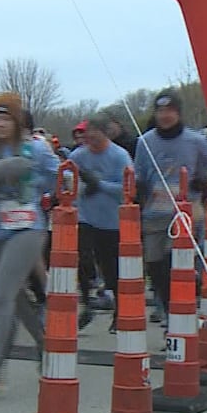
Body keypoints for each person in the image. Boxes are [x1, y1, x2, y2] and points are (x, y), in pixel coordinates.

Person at [0, 91, 60, 393]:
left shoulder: (37, 149)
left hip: (28, 228)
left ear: (18, 122)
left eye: (7, 118)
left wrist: (37, 181)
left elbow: (63, 179)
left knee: (2, 293)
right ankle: (45, 345)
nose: (1, 124)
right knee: (15, 297)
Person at [132, 90, 207, 323]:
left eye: (170, 111)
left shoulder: (196, 141)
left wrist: (203, 184)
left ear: (178, 113)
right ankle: (168, 307)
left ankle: (180, 311)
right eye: (160, 111)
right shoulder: (145, 142)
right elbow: (138, 174)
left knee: (176, 261)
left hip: (186, 213)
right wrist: (137, 194)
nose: (165, 116)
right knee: (155, 264)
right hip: (154, 213)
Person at [68, 115, 131, 330]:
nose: (92, 140)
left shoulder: (119, 156)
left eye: (97, 136)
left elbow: (127, 189)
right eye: (89, 136)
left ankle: (120, 311)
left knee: (111, 269)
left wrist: (99, 185)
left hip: (111, 221)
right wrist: (80, 189)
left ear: (106, 134)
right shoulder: (78, 156)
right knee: (82, 259)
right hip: (85, 217)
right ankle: (87, 303)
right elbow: (68, 182)